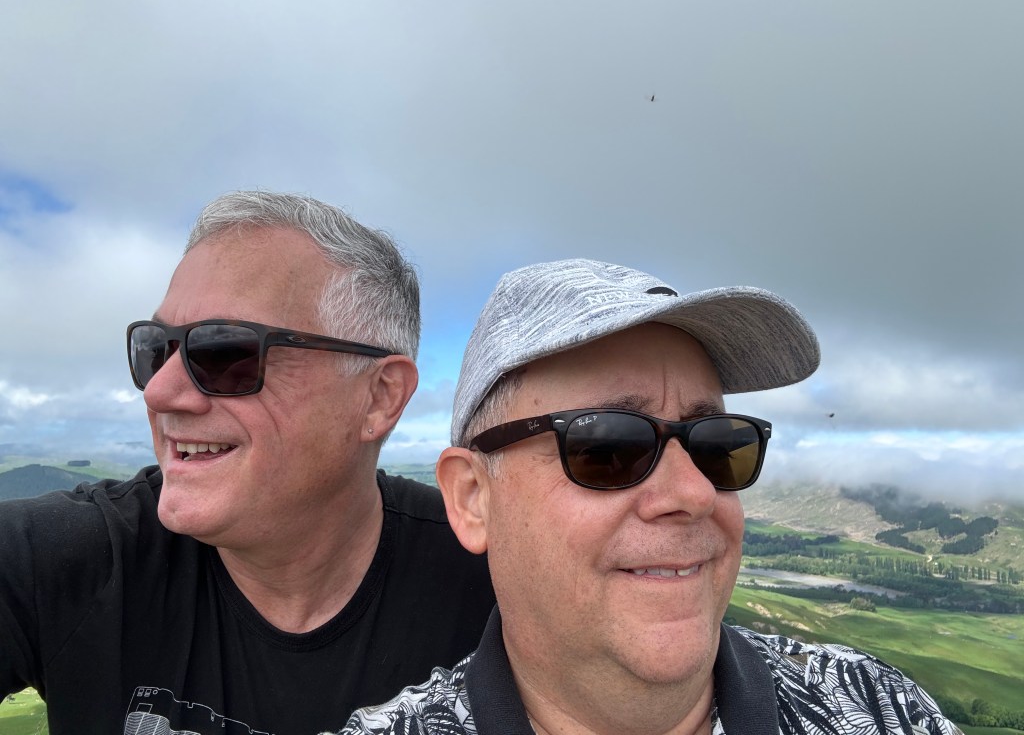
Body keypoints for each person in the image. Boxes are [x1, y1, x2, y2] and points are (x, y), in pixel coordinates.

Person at [339, 259, 962, 735]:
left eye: (718, 445)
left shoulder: (882, 708)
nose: (694, 491)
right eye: (608, 447)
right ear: (474, 498)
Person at [0, 191, 495, 735]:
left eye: (225, 353)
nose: (159, 391)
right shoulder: (70, 561)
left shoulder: (498, 580)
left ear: (380, 396)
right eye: (156, 349)